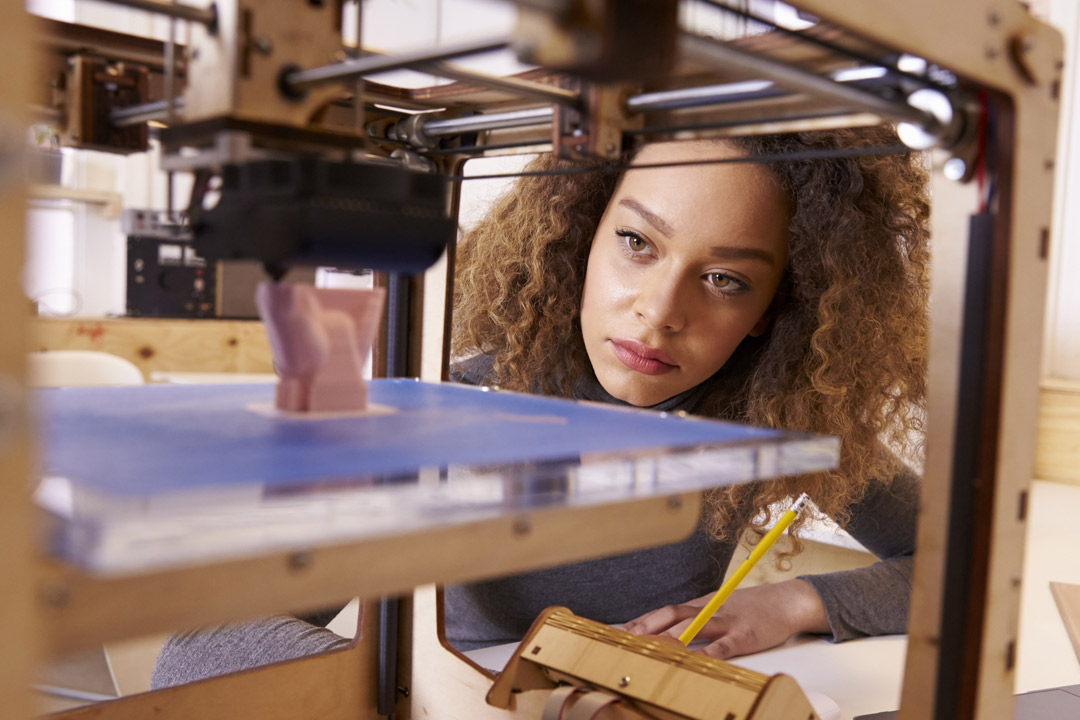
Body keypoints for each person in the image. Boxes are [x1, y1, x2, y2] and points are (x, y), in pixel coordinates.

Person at [151, 126, 926, 687]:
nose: (658, 314)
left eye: (726, 279)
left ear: (773, 310)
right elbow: (198, 644)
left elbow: (960, 562)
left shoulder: (776, 417)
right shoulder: (440, 404)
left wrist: (790, 603)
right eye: (637, 243)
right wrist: (434, 689)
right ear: (581, 239)